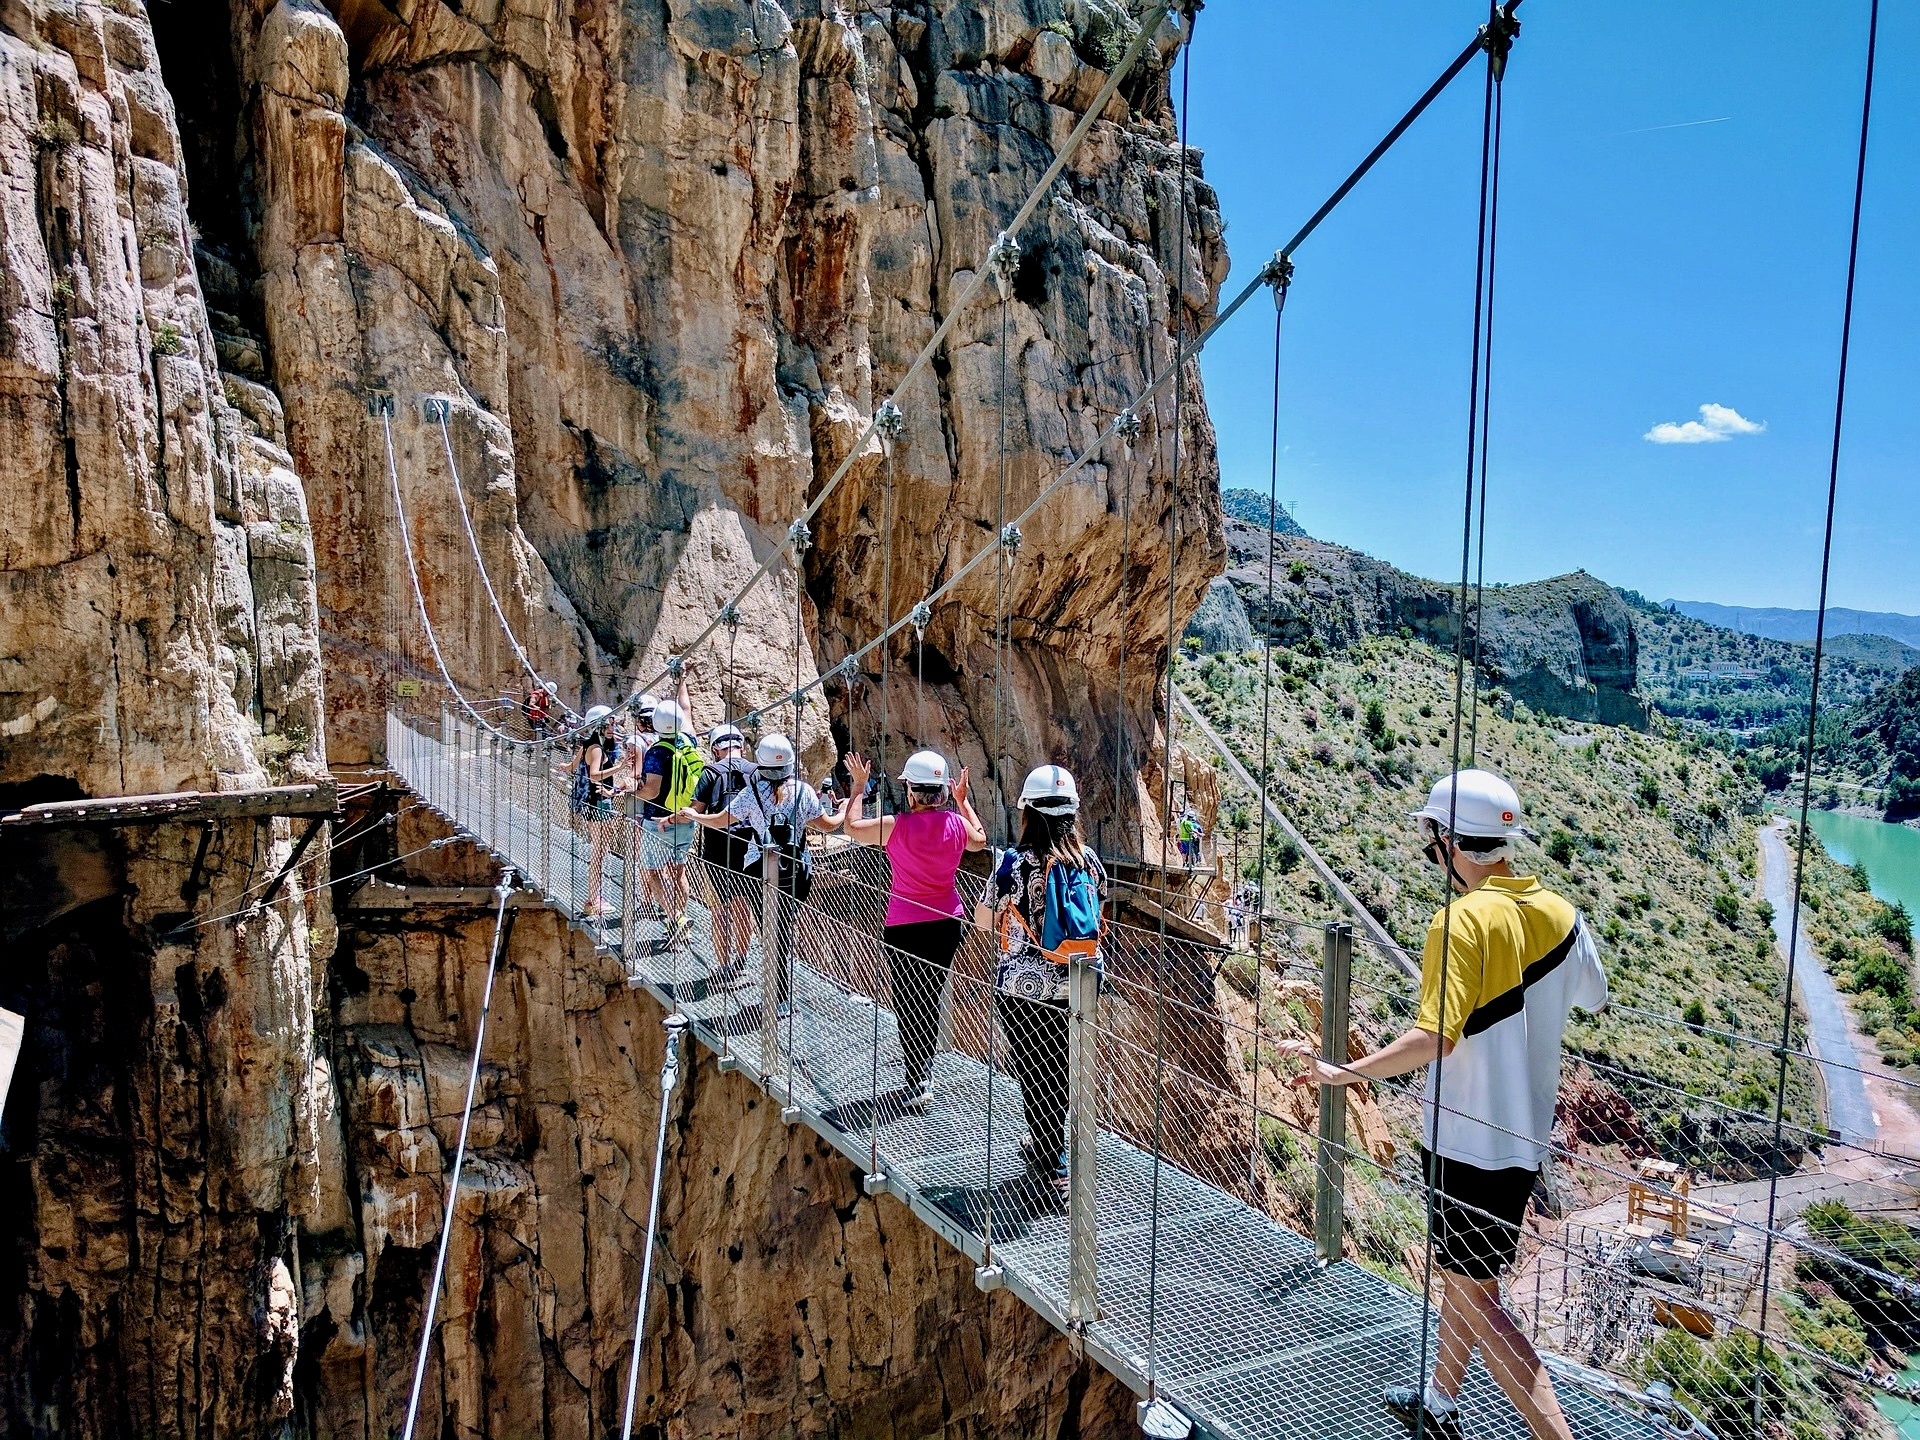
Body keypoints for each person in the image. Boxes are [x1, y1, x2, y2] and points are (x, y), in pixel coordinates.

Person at [1286, 769, 1606, 1440]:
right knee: (1467, 1281)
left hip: (1465, 1143)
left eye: (1432, 838)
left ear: (1448, 842)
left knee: (1480, 1298)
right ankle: (1441, 1400)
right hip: (1522, 1144)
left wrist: (1347, 1072)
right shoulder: (1561, 916)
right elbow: (1595, 998)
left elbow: (1434, 1037)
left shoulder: (1458, 922)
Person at [842, 749, 988, 1112]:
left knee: (908, 1001)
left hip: (905, 924)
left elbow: (851, 829)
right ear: (941, 791)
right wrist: (964, 802)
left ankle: (918, 1075)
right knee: (931, 993)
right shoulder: (956, 823)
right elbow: (980, 839)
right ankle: (925, 1069)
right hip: (948, 922)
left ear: (911, 791)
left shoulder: (896, 825)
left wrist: (859, 786)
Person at [990, 763, 1107, 1203]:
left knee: (1033, 1072)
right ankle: (1048, 1148)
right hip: (1079, 982)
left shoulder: (1013, 863)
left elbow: (987, 918)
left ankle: (1054, 1161)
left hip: (1023, 987)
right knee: (1060, 1070)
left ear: (1028, 813)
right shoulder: (1089, 860)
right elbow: (1099, 910)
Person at [680, 733, 844, 1018]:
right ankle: (780, 996)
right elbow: (828, 826)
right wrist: (848, 805)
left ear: (762, 764)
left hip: (759, 871)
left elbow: (719, 821)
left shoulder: (750, 793)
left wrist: (694, 816)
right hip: (797, 870)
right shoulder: (804, 792)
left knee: (770, 931)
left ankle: (775, 993)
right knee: (782, 930)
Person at [689, 723, 759, 982]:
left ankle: (723, 964)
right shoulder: (757, 772)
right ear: (741, 746)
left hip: (717, 847)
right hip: (751, 847)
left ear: (716, 749)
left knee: (720, 908)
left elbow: (697, 809)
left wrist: (679, 815)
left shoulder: (711, 772)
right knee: (743, 905)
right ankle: (742, 959)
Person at [633, 698, 704, 953]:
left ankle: (676, 919)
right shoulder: (689, 742)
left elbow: (651, 791)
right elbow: (687, 711)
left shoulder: (657, 752)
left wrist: (631, 792)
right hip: (686, 818)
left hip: (658, 822)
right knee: (678, 872)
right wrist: (682, 682)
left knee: (653, 873)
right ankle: (679, 927)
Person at [568, 704, 621, 917]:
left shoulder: (588, 744)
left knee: (600, 850)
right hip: (598, 801)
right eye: (609, 723)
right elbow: (594, 775)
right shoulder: (597, 748)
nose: (612, 727)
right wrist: (621, 767)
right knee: (600, 851)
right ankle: (593, 899)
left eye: (613, 723)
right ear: (598, 725)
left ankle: (594, 897)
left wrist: (566, 768)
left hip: (592, 802)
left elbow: (573, 767)